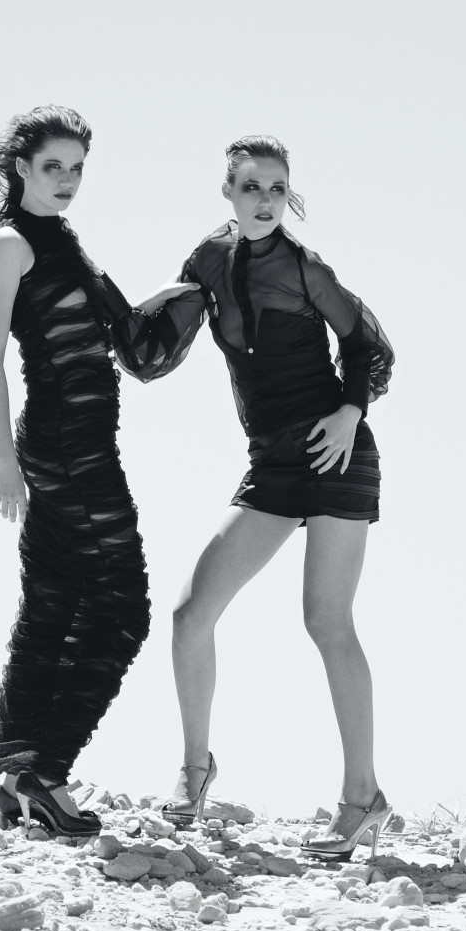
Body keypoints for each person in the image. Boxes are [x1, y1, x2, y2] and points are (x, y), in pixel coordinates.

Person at [103, 136, 397, 859]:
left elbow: (367, 346)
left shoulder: (305, 267)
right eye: (251, 186)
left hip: (335, 453)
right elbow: (157, 341)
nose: (264, 198)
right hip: (271, 463)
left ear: (286, 194)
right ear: (229, 193)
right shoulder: (209, 259)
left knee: (326, 621)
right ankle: (195, 770)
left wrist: (351, 410)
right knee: (190, 612)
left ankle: (363, 798)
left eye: (276, 187)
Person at [0, 106, 195, 837]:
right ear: (19, 169)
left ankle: (21, 776)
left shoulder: (60, 237)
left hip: (87, 440)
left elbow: (116, 328)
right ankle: (46, 770)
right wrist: (4, 460)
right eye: (52, 167)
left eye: (75, 169)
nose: (67, 181)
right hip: (67, 447)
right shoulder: (9, 243)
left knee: (55, 602)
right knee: (122, 609)